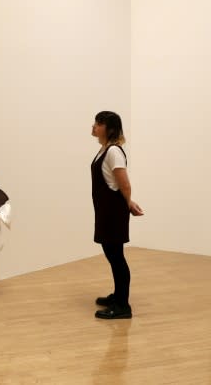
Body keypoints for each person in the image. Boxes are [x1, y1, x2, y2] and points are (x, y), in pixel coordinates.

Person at [90, 111, 143, 319]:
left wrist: (129, 203)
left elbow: (124, 184)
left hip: (113, 211)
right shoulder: (104, 150)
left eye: (99, 123)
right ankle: (118, 295)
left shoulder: (113, 152)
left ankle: (123, 305)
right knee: (112, 255)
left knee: (116, 257)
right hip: (106, 210)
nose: (94, 126)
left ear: (109, 128)